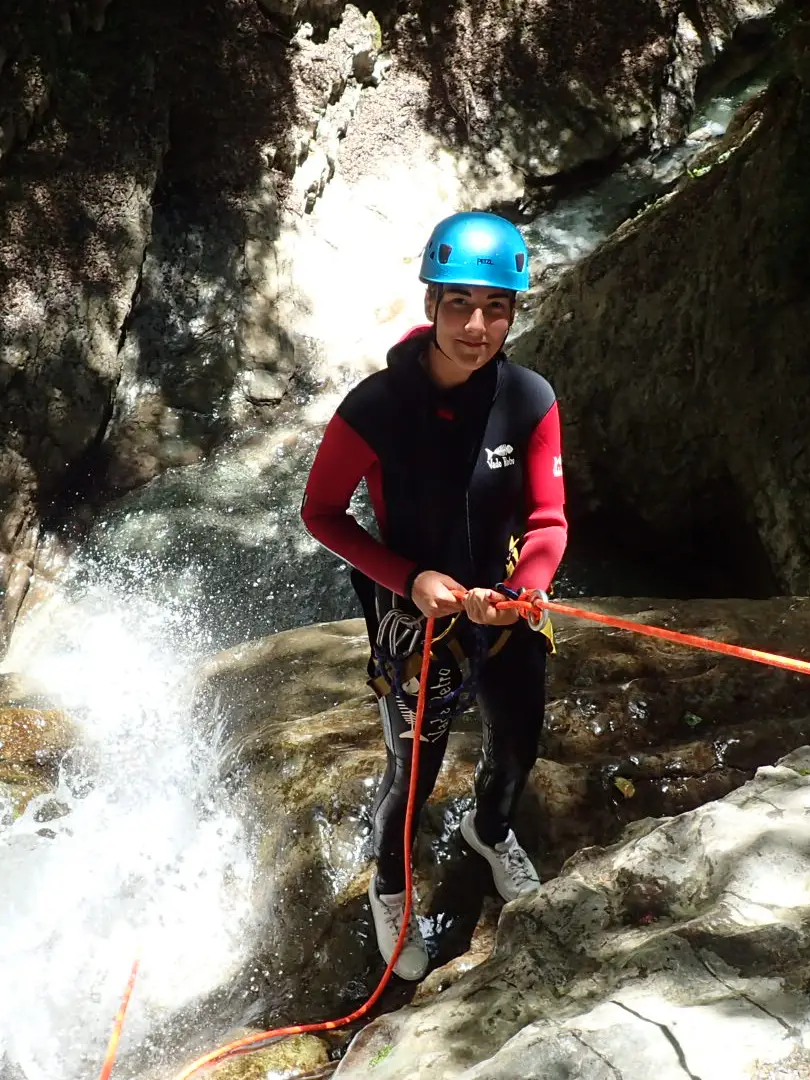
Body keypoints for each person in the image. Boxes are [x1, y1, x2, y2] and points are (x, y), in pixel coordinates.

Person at [299, 210, 567, 980]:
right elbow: (321, 513)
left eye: (496, 307)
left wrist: (527, 590)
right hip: (416, 614)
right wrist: (408, 579)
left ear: (514, 312)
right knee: (412, 771)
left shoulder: (530, 398)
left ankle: (490, 827)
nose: (477, 325)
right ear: (429, 305)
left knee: (518, 742)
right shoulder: (377, 407)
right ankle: (391, 884)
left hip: (507, 605)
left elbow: (549, 519)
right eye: (459, 304)